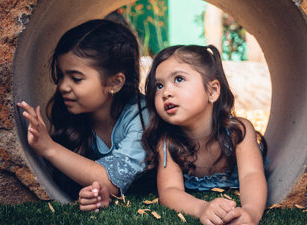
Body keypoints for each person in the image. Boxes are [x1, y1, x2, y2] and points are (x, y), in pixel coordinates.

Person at [17, 19, 148, 212]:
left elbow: (112, 181)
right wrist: (93, 193)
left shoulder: (141, 115)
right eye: (61, 75)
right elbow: (96, 185)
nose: (62, 86)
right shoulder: (74, 115)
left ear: (115, 83)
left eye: (76, 78)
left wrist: (49, 148)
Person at [142, 45, 267, 225]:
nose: (166, 93)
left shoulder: (237, 132)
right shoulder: (168, 142)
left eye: (178, 79)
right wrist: (202, 209)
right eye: (159, 86)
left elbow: (251, 175)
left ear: (212, 91)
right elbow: (170, 191)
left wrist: (251, 213)